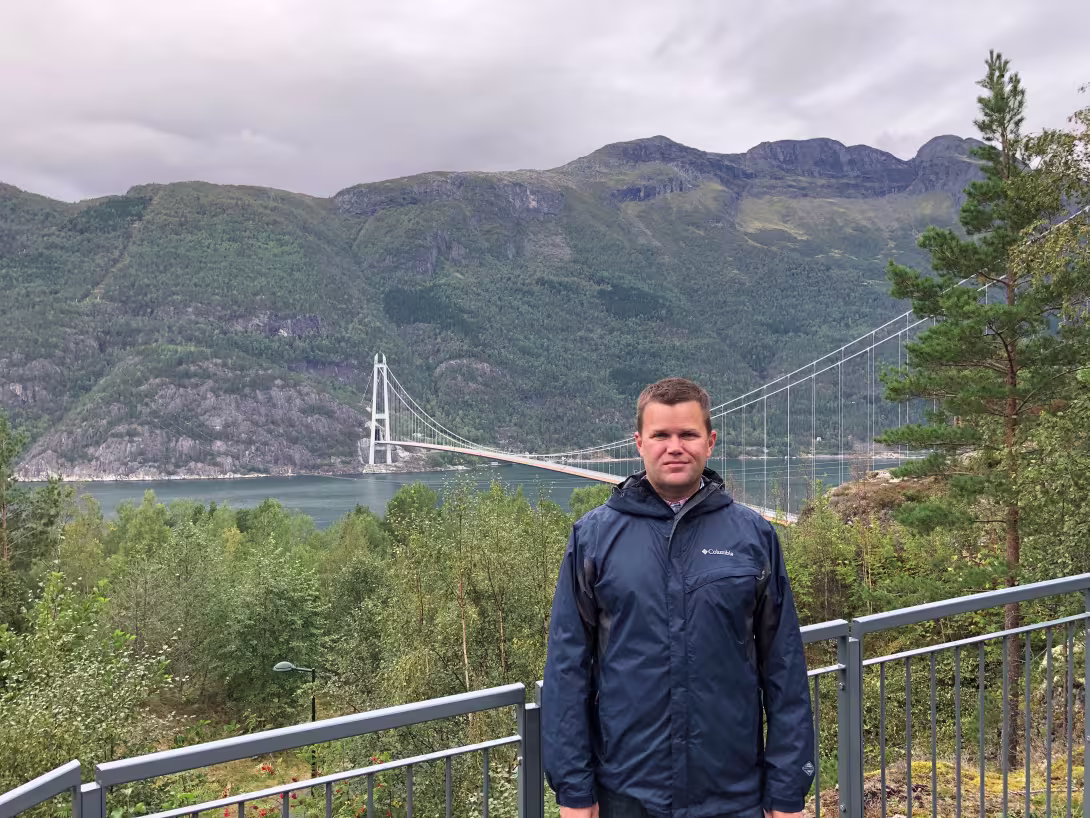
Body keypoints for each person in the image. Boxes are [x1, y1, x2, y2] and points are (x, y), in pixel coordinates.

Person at [542, 378, 814, 818]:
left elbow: (784, 667)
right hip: (627, 795)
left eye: (687, 434)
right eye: (661, 435)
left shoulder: (754, 536)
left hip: (734, 795)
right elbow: (566, 670)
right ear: (638, 443)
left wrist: (787, 791)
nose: (675, 446)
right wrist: (574, 790)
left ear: (710, 442)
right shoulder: (593, 538)